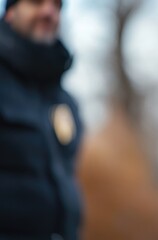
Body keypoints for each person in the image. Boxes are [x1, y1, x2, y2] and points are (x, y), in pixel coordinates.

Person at [0, 0, 83, 239]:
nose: (49, 12)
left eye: (56, 6)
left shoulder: (66, 101)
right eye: (36, 2)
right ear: (10, 13)